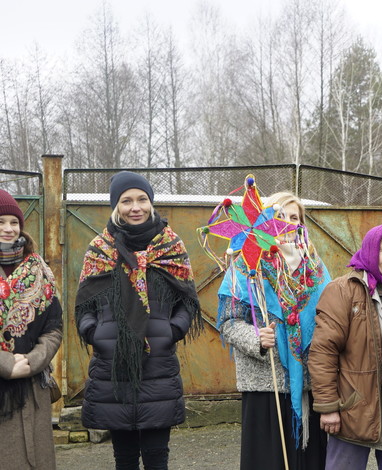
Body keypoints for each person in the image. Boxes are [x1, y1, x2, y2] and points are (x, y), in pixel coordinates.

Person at [75, 171, 201, 470]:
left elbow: (187, 299)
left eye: (142, 199)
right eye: (126, 200)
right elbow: (84, 303)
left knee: (158, 456)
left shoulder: (171, 247)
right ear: (116, 206)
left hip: (158, 365)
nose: (136, 207)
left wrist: (174, 330)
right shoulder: (100, 249)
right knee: (124, 457)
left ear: (151, 203)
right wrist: (94, 333)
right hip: (112, 366)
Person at [217, 192, 329, 470]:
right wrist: (257, 338)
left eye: (295, 218)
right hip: (266, 384)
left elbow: (330, 318)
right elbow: (228, 322)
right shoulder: (246, 266)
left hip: (309, 383)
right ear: (266, 221)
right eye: (280, 217)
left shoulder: (315, 268)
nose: (288, 224)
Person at [308, 224, 382, 470]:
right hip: (355, 413)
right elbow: (323, 352)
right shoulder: (344, 290)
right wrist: (328, 407)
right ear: (371, 251)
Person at [0, 189, 63, 470]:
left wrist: (34, 360)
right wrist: (6, 364)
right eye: (0, 222)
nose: (8, 229)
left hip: (33, 385)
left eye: (13, 222)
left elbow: (54, 327)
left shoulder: (40, 272)